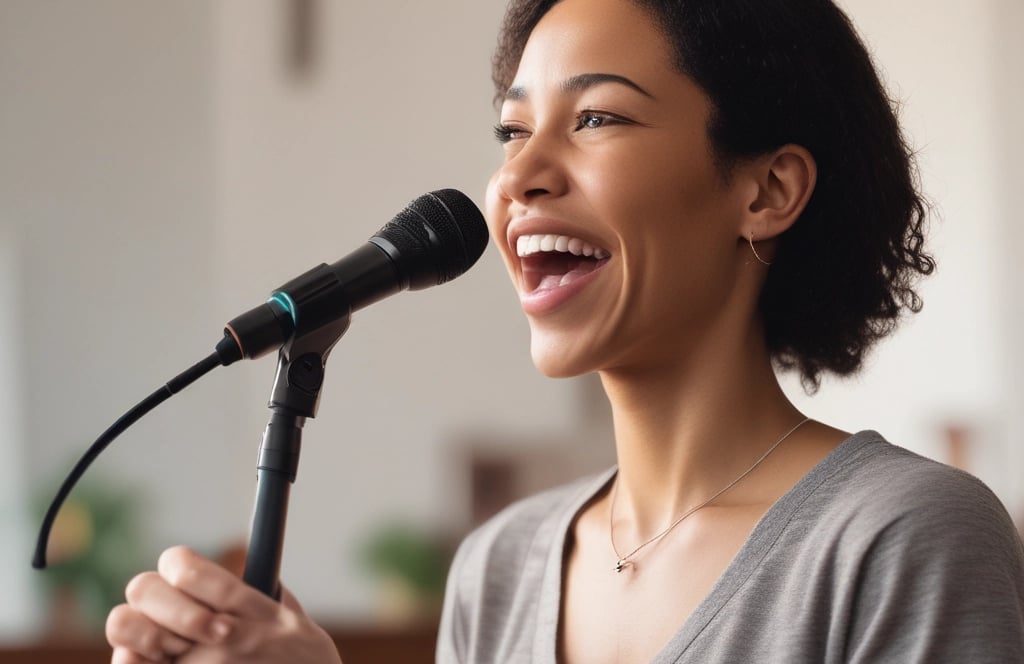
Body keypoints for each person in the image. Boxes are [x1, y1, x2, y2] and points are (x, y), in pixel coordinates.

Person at [105, 0, 1024, 662]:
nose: (517, 178)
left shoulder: (901, 536)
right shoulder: (498, 568)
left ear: (767, 190)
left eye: (596, 117)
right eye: (512, 132)